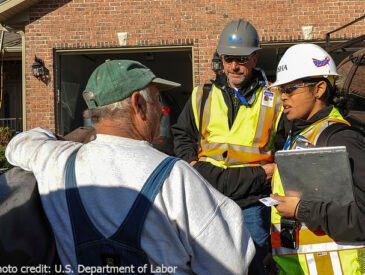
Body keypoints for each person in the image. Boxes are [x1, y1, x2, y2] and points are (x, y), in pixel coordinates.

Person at [6, 60, 255, 275]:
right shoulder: (176, 178)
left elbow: (18, 145)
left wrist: (65, 138)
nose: (160, 110)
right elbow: (229, 264)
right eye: (157, 99)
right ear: (138, 104)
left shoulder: (56, 161)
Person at [172, 19, 282, 274]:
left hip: (252, 200)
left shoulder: (274, 99)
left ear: (255, 59)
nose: (234, 66)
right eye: (228, 58)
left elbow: (285, 146)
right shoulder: (202, 95)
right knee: (208, 262)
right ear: (221, 58)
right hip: (208, 195)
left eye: (241, 59)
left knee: (255, 262)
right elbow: (182, 133)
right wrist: (190, 163)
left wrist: (274, 170)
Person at [269, 43, 365, 274]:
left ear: (320, 88)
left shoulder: (341, 139)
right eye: (282, 90)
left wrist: (302, 209)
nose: (283, 97)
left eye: (291, 89)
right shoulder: (299, 135)